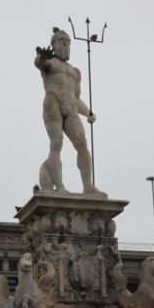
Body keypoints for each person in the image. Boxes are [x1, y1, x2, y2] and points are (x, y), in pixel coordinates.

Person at [34, 27, 104, 195]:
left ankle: (88, 185)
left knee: (82, 144)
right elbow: (39, 63)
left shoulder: (75, 72)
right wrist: (42, 56)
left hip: (71, 108)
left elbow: (76, 98)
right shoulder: (49, 63)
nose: (65, 44)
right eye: (61, 41)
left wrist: (88, 112)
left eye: (67, 42)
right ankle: (60, 186)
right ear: (54, 44)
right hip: (53, 103)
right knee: (56, 143)